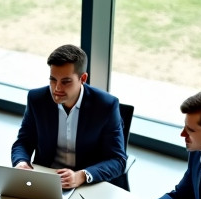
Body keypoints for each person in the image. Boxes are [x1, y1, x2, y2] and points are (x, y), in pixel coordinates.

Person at [11, 44, 127, 189]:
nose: (57, 88)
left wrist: (82, 175)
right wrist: (21, 162)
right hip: (45, 181)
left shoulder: (106, 106)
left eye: (65, 82)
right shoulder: (37, 99)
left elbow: (118, 160)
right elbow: (23, 141)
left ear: (83, 78)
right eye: (53, 79)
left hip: (86, 185)